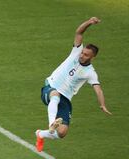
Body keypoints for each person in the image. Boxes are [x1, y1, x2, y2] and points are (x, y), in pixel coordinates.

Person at [35, 17, 112, 152]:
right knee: (55, 95)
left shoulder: (90, 73)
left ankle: (41, 134)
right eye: (83, 52)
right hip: (50, 87)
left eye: (86, 55)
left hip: (65, 98)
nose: (82, 55)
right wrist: (89, 22)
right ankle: (51, 123)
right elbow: (79, 33)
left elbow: (98, 89)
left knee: (62, 132)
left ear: (92, 57)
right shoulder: (76, 52)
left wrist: (102, 105)